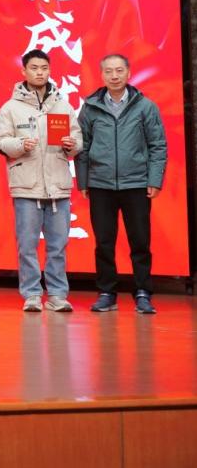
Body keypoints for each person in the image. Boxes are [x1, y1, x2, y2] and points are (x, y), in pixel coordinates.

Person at [0, 49, 83, 312]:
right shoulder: (11, 108)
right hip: (26, 186)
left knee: (58, 246)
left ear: (50, 70)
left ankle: (57, 294)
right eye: (34, 68)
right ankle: (32, 294)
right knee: (27, 245)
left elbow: (78, 140)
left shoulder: (63, 105)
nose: (39, 73)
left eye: (44, 68)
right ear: (24, 71)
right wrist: (20, 145)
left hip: (58, 186)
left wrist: (72, 144)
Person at [77, 53, 168, 315]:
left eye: (119, 71)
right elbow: (82, 146)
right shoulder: (90, 107)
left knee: (140, 241)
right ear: (102, 75)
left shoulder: (145, 107)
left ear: (129, 73)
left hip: (136, 184)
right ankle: (107, 292)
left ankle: (143, 292)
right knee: (104, 242)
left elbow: (158, 145)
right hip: (100, 184)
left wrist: (154, 179)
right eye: (108, 71)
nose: (114, 76)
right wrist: (83, 180)